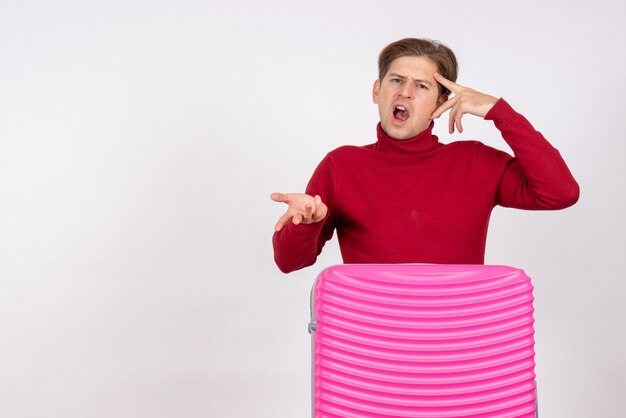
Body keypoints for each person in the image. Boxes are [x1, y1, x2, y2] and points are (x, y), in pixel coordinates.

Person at [270, 38, 579, 273]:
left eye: (421, 85)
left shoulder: (475, 162)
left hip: (456, 342)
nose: (405, 92)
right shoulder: (342, 166)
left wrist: (500, 112)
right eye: (396, 80)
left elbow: (560, 193)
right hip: (370, 345)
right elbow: (289, 262)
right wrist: (306, 223)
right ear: (377, 90)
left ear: (442, 101)